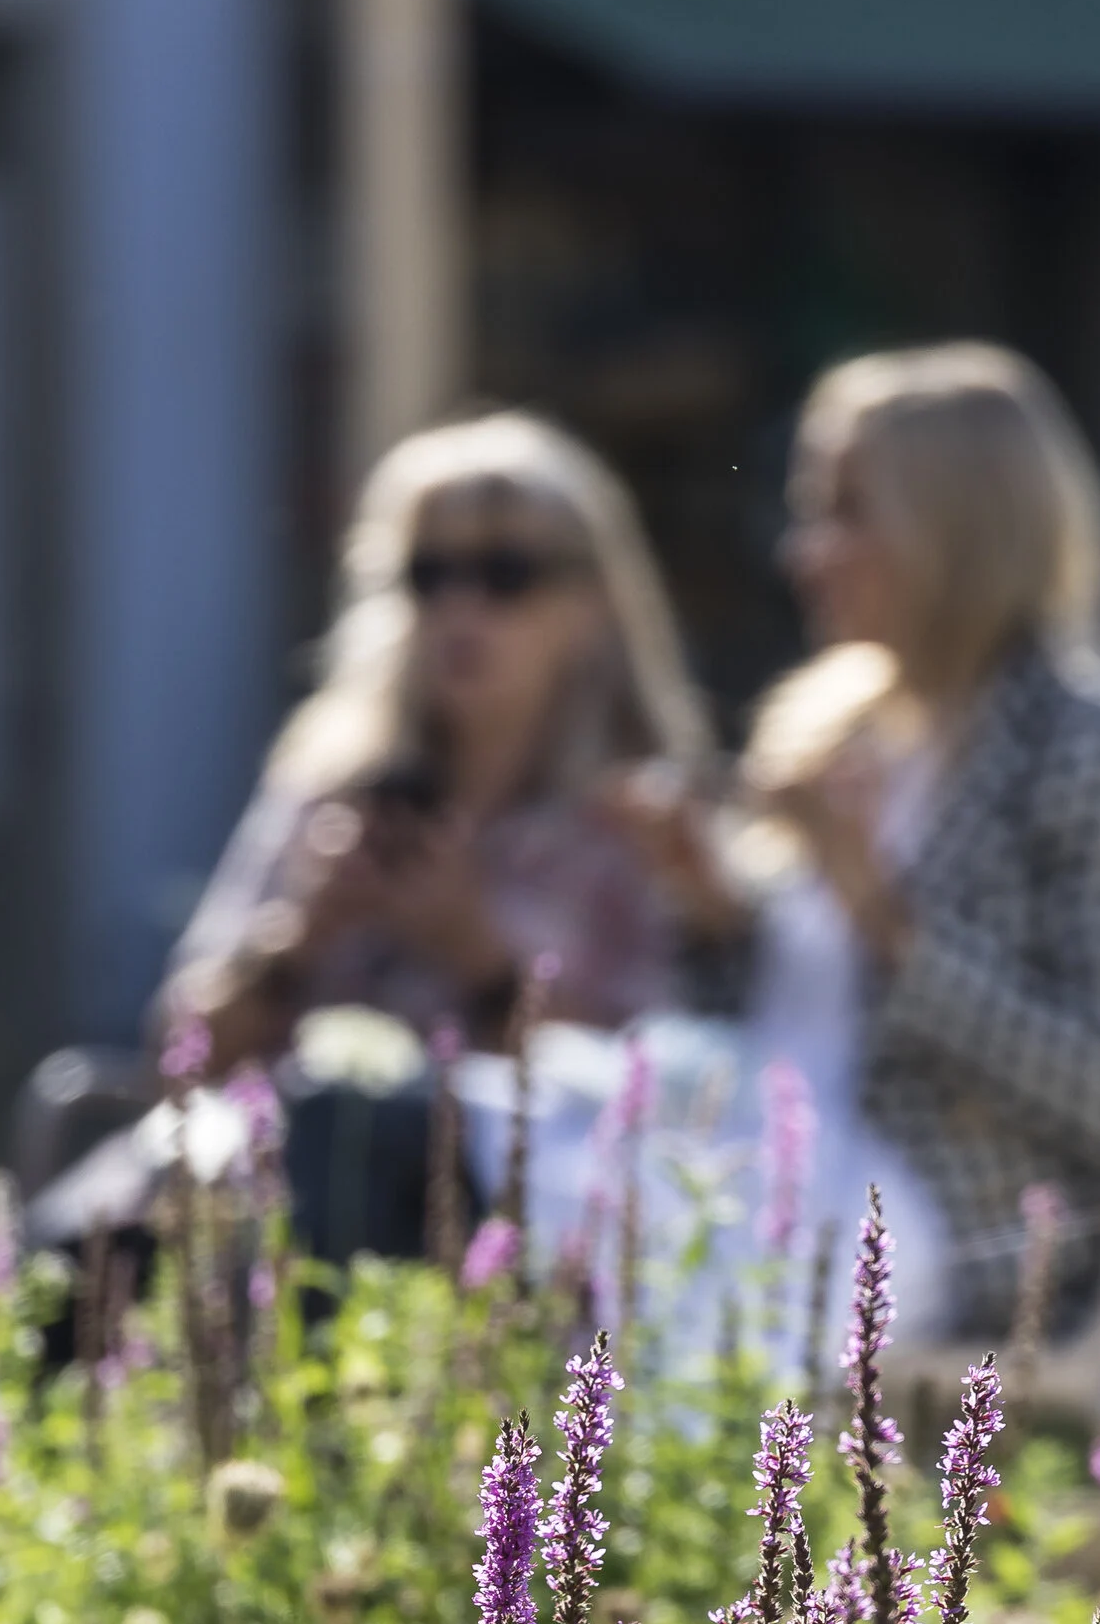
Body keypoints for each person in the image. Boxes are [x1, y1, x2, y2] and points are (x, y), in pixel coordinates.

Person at [742, 344, 1100, 1376]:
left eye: (846, 512)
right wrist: (703, 907)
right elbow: (789, 1026)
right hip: (754, 1169)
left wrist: (884, 919)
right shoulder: (833, 737)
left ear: (954, 532)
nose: (804, 553)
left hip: (952, 1229)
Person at [154, 412, 737, 1259]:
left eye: (506, 575)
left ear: (592, 604)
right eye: (429, 575)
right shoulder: (334, 790)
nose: (462, 608)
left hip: (526, 1239)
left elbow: (674, 1099)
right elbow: (174, 1056)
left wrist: (479, 958)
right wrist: (299, 940)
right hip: (261, 1212)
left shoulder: (643, 825)